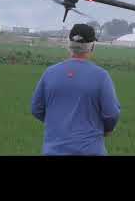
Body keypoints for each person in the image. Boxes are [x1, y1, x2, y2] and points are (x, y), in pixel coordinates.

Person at [31, 23, 121, 156]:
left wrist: (57, 123)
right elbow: (112, 114)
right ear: (92, 47)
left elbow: (36, 109)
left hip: (54, 151)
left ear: (69, 45)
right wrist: (107, 129)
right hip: (90, 150)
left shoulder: (50, 73)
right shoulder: (101, 76)